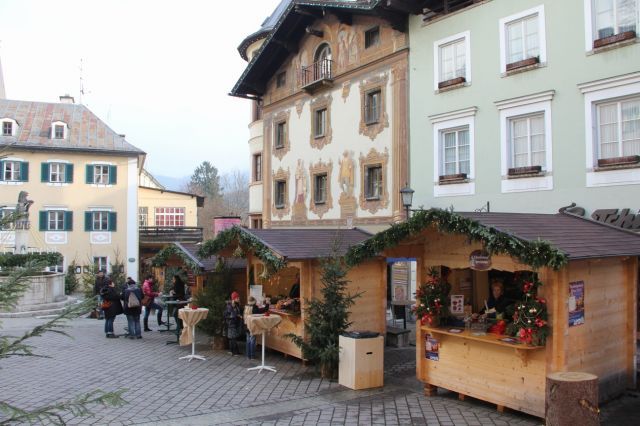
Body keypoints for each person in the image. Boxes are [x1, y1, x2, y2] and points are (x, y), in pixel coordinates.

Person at [225, 291, 243, 356]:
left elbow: (238, 312)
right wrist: (238, 315)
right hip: (231, 323)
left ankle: (232, 351)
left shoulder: (236, 304)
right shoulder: (230, 305)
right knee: (233, 338)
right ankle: (235, 352)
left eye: (238, 297)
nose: (238, 299)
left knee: (233, 337)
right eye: (237, 298)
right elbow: (232, 314)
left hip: (234, 323)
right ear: (234, 298)